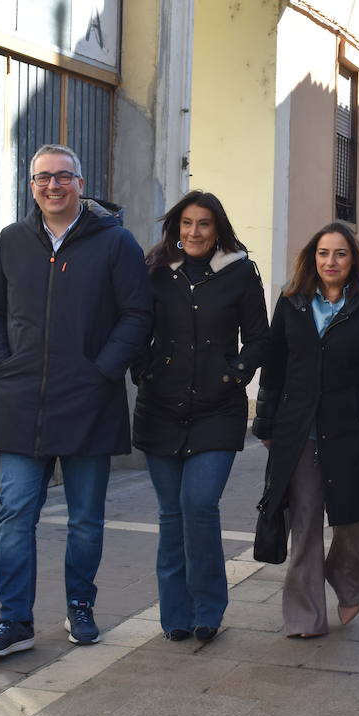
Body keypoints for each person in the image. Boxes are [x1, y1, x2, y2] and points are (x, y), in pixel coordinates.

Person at [0, 144, 152, 656]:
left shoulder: (115, 243)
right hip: (21, 398)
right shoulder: (12, 240)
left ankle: (80, 608)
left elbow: (137, 314)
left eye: (63, 177)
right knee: (15, 513)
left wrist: (103, 370)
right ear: (32, 186)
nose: (52, 186)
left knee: (85, 519)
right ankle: (14, 622)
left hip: (89, 401)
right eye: (42, 178)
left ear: (80, 182)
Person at [132, 191, 270, 643]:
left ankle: (208, 608)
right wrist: (143, 368)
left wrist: (236, 374)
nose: (193, 232)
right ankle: (176, 614)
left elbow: (258, 338)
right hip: (161, 409)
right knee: (172, 514)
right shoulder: (154, 272)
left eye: (203, 224)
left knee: (199, 506)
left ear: (217, 229)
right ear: (176, 228)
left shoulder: (240, 272)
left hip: (217, 409)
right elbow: (134, 326)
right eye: (186, 223)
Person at [253, 224, 359, 638]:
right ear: (311, 258)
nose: (330, 262)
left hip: (351, 432)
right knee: (304, 522)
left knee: (349, 524)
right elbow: (275, 369)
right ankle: (304, 617)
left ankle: (349, 582)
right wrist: (266, 425)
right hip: (298, 432)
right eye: (322, 253)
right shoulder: (292, 302)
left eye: (339, 254)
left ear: (353, 260)